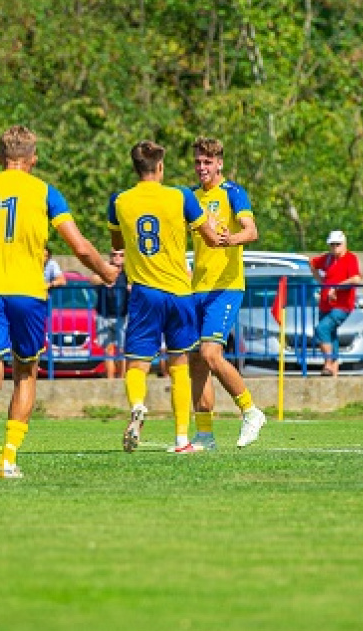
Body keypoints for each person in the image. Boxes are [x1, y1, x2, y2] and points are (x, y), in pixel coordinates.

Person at [0, 125, 118, 479]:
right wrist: (106, 271)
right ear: (33, 159)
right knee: (25, 373)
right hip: (27, 291)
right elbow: (80, 246)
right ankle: (7, 459)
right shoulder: (44, 193)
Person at [108, 140, 222, 455]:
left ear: (135, 168)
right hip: (180, 292)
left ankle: (138, 405)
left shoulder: (119, 201)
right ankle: (181, 439)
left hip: (144, 291)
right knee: (179, 363)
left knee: (136, 361)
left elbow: (118, 242)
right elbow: (210, 239)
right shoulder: (181, 196)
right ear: (160, 167)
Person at [188, 137, 266, 449]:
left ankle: (251, 411)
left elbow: (251, 230)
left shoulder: (233, 193)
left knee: (210, 353)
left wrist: (230, 239)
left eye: (207, 162)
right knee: (197, 361)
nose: (202, 168)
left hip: (227, 287)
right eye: (197, 162)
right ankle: (205, 435)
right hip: (197, 288)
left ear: (219, 163)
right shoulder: (191, 198)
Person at [310, 230, 361, 377]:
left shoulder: (351, 258)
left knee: (322, 329)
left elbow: (356, 279)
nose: (334, 248)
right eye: (332, 245)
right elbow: (311, 263)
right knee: (331, 335)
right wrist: (320, 281)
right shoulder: (327, 259)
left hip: (342, 305)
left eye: (337, 244)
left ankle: (328, 363)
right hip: (326, 304)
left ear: (344, 244)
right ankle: (334, 371)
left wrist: (337, 287)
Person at [89, 249, 130, 379]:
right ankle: (110, 380)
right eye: (114, 254)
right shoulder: (104, 269)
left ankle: (122, 379)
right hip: (104, 315)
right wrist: (105, 278)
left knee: (123, 350)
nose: (117, 257)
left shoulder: (128, 271)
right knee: (108, 350)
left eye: (121, 255)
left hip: (122, 316)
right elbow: (93, 280)